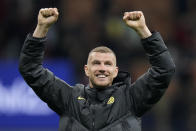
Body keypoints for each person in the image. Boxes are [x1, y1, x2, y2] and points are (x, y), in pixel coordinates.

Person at [19, 8, 175, 131]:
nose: (102, 68)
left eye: (107, 64)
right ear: (86, 70)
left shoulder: (131, 99)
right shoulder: (68, 99)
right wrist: (41, 28)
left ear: (115, 71)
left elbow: (164, 69)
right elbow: (30, 68)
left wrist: (143, 30)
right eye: (96, 63)